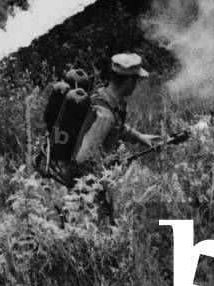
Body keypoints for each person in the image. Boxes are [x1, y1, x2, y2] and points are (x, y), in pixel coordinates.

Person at [68, 53, 159, 224]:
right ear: (129, 82)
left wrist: (139, 137)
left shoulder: (105, 97)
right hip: (86, 184)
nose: (136, 85)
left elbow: (116, 127)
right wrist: (110, 167)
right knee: (93, 224)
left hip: (94, 179)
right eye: (136, 81)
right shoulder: (105, 115)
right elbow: (82, 159)